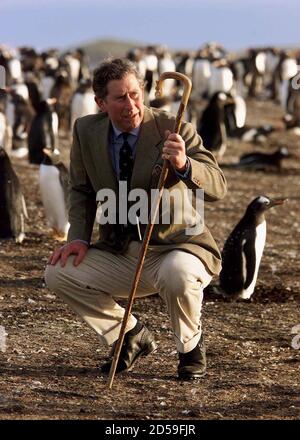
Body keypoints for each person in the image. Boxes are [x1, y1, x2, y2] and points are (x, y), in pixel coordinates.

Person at [45, 58, 227, 380]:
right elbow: (81, 191)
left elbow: (217, 186)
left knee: (177, 274)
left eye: (135, 94)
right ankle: (128, 333)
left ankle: (189, 349)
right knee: (58, 273)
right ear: (101, 103)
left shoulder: (174, 126)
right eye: (119, 98)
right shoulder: (86, 131)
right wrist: (78, 239)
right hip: (122, 252)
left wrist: (185, 165)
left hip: (175, 248)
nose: (131, 105)